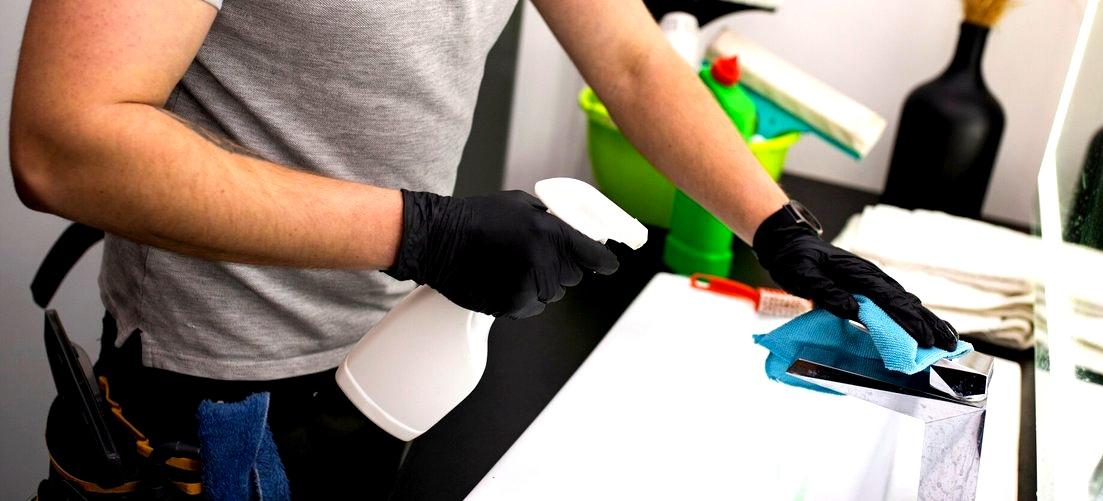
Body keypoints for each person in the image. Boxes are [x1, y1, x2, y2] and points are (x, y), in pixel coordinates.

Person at [9, 0, 957, 498]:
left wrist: (780, 230)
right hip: (209, 417)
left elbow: (633, 61)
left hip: (394, 377)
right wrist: (423, 232)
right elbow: (61, 143)